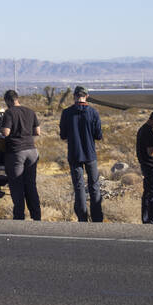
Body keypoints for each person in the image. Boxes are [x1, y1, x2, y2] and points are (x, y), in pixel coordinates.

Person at [59, 85, 104, 222]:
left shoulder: (66, 113)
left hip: (74, 154)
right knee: (94, 186)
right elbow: (98, 135)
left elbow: (63, 135)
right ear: (87, 96)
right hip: (90, 154)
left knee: (79, 186)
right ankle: (97, 218)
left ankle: (82, 217)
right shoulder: (93, 112)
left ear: (74, 96)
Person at [0, 89, 41, 221]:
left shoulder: (9, 113)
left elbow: (5, 132)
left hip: (17, 152)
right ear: (17, 98)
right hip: (32, 151)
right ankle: (36, 215)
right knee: (30, 185)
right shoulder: (30, 111)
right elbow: (37, 132)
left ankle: (19, 217)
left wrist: (0, 129)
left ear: (8, 101)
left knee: (17, 185)